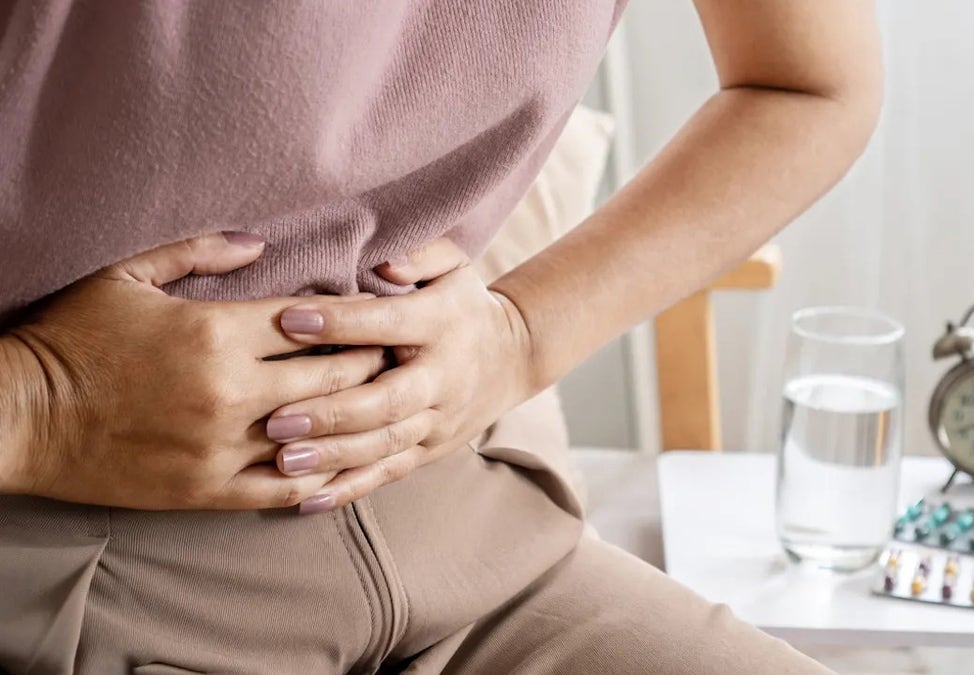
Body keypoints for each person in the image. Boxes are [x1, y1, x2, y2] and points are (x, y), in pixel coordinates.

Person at [0, 1, 882, 672]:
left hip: (467, 542)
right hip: (71, 566)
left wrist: (521, 335)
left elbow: (809, 83)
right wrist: (39, 405)